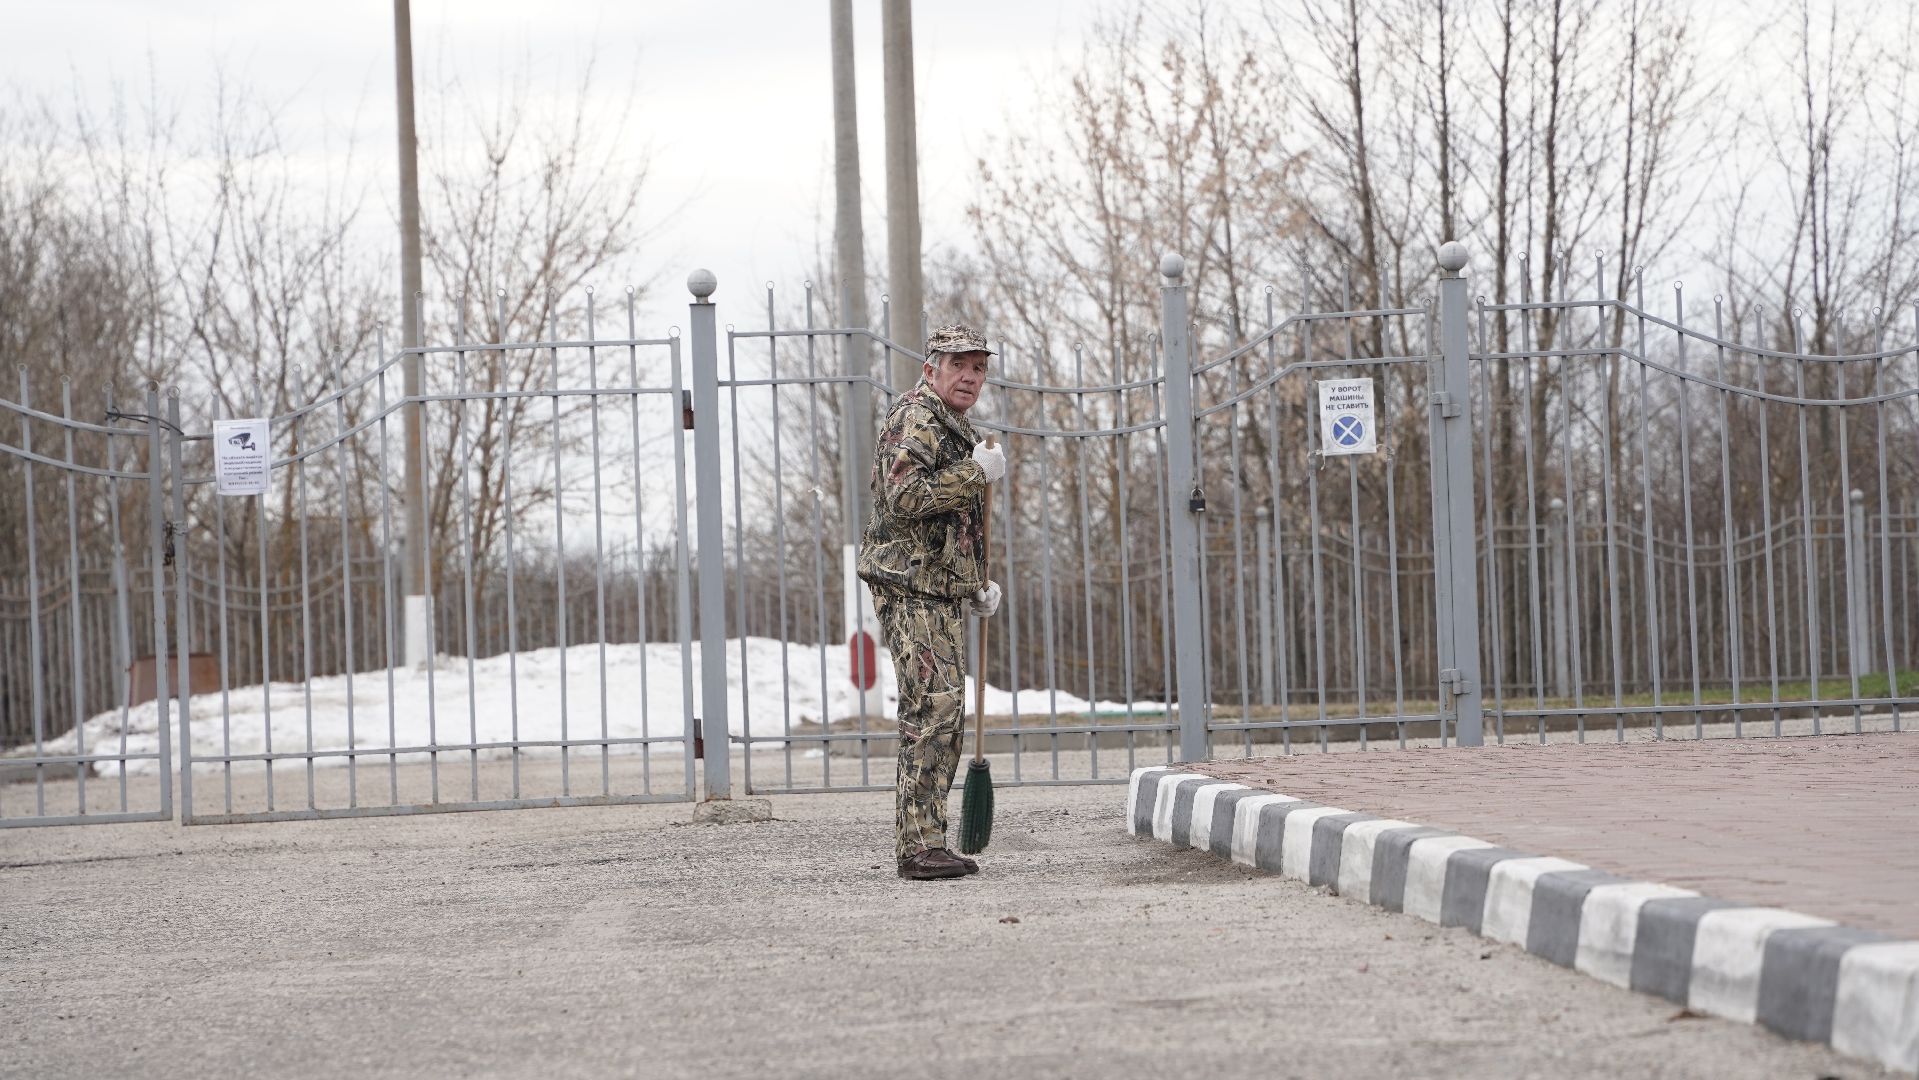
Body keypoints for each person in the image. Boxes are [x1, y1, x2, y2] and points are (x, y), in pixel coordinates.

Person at [856, 324, 1005, 881]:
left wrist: (974, 585)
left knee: (944, 709)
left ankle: (929, 839)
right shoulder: (917, 418)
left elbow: (951, 524)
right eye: (958, 365)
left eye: (979, 367)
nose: (970, 376)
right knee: (932, 709)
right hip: (909, 585)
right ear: (931, 369)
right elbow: (906, 497)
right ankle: (918, 846)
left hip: (936, 585)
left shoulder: (954, 425)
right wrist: (975, 473)